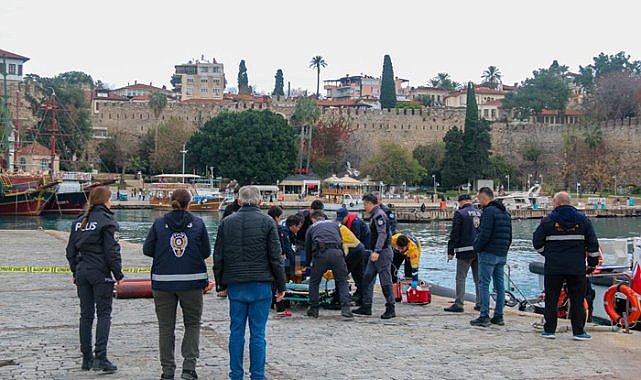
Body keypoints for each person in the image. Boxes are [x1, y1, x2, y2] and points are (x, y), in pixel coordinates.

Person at [214, 186, 286, 380]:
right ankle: (258, 375)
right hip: (261, 283)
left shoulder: (226, 222)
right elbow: (275, 258)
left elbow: (218, 255)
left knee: (236, 331)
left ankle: (236, 374)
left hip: (236, 283)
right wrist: (281, 285)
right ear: (260, 201)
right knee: (258, 333)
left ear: (239, 201)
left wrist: (220, 283)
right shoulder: (268, 222)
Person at [143, 189, 211, 380]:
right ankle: (189, 368)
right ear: (189, 203)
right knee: (192, 324)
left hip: (163, 282)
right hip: (192, 281)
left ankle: (167, 370)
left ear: (171, 201)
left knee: (166, 327)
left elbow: (148, 249)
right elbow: (206, 251)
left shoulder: (159, 223)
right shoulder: (197, 223)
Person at [65, 186, 122, 373]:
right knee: (104, 314)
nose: (111, 202)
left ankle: (86, 358)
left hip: (82, 271)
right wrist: (118, 274)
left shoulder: (79, 221)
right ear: (105, 200)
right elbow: (111, 252)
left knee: (86, 315)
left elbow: (70, 251)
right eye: (110, 198)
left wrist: (75, 270)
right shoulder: (107, 221)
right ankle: (101, 357)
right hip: (100, 273)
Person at [533, 192, 599, 341]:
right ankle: (579, 332)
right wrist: (592, 264)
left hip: (554, 267)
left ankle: (549, 330)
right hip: (576, 268)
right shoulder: (584, 221)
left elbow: (537, 242)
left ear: (557, 203)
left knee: (551, 298)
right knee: (577, 299)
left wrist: (548, 254)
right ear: (569, 202)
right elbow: (593, 245)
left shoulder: (548, 221)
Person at [470, 187, 512, 327]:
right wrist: (504, 250)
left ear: (484, 197)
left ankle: (484, 315)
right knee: (499, 285)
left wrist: (477, 247)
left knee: (484, 284)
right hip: (501, 253)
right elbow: (509, 235)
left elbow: (484, 234)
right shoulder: (505, 212)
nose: (478, 201)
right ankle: (499, 315)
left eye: (479, 198)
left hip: (488, 253)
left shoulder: (488, 212)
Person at [353, 193, 396, 319]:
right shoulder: (376, 215)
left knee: (385, 281)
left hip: (382, 253)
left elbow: (382, 234)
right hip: (375, 253)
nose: (364, 207)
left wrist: (377, 251)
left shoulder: (379, 216)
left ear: (370, 204)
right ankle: (366, 305)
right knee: (367, 277)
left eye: (365, 204)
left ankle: (390, 307)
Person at [305, 211, 354, 319]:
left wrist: (307, 264)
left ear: (314, 219)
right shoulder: (335, 224)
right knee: (342, 281)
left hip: (320, 254)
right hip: (337, 253)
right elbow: (340, 241)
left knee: (314, 282)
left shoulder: (312, 227)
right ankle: (346, 308)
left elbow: (308, 247)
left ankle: (314, 309)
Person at [445, 194, 482, 313]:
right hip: (478, 250)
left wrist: (450, 250)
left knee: (461, 278)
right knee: (479, 279)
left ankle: (459, 303)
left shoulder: (460, 213)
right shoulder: (480, 212)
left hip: (464, 250)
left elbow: (455, 233)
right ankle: (480, 303)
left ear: (461, 202)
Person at [268, 207, 302, 317]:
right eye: (280, 217)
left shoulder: (267, 225)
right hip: (277, 259)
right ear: (276, 216)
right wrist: (296, 265)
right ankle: (280, 308)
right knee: (279, 282)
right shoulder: (281, 230)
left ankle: (272, 303)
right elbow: (287, 248)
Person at [294, 200, 324, 275]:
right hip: (300, 241)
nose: (317, 215)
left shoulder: (323, 217)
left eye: (319, 212)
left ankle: (310, 274)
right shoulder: (301, 215)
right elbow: (292, 226)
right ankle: (297, 274)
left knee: (313, 259)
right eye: (315, 212)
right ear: (311, 209)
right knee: (298, 258)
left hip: (314, 242)